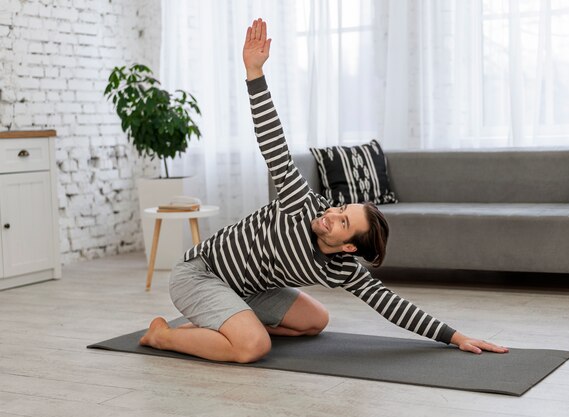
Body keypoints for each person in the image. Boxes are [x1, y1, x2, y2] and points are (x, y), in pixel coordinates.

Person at [140, 18, 509, 363]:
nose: (331, 214)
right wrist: (255, 73)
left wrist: (454, 337)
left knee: (316, 320)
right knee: (253, 346)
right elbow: (274, 145)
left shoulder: (343, 269)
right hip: (201, 274)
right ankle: (163, 336)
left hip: (248, 288)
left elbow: (390, 304)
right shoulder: (301, 205)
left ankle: (227, 321)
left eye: (343, 221)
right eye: (340, 209)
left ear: (349, 248)